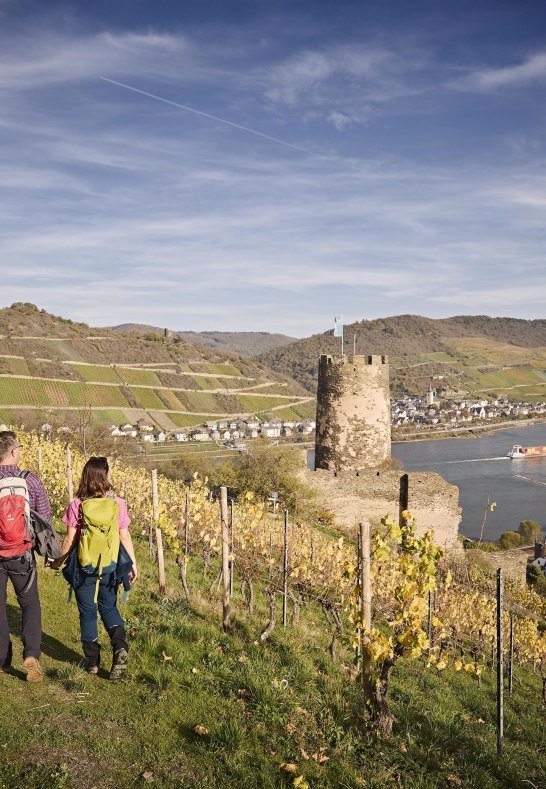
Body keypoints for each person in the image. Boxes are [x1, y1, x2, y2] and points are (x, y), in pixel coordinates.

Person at [55, 456, 137, 679]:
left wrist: (58, 561)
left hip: (84, 566)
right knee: (109, 607)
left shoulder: (77, 504)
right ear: (106, 475)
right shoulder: (117, 503)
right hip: (109, 566)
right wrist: (132, 563)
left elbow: (70, 538)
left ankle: (92, 661)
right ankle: (120, 647)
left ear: (85, 476)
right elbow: (124, 535)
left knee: (88, 612)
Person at [0, 430, 51, 682]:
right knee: (29, 603)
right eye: (18, 448)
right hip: (22, 554)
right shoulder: (30, 480)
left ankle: (2, 658)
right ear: (12, 452)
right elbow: (44, 517)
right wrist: (44, 550)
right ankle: (31, 654)